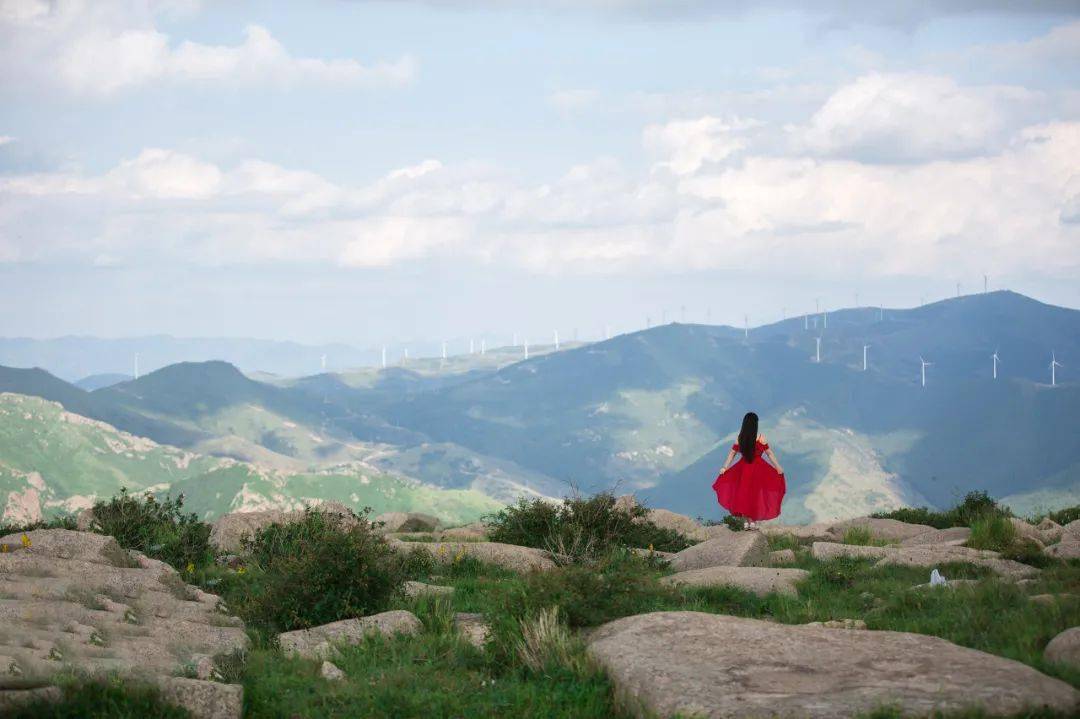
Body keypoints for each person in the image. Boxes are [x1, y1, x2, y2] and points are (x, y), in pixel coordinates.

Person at [711, 411, 786, 528]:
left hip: (743, 469)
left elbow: (732, 454)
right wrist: (778, 467)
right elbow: (769, 454)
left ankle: (747, 521)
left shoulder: (740, 438)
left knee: (744, 493)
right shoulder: (761, 438)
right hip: (758, 469)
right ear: (755, 424)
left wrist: (725, 467)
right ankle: (753, 521)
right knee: (754, 494)